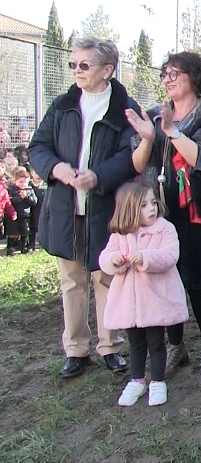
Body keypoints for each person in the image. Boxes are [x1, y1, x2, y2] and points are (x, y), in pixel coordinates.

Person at [29, 37, 137, 378]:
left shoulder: (124, 109)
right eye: (73, 64)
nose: (76, 70)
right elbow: (39, 146)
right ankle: (75, 349)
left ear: (107, 70)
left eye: (84, 65)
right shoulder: (62, 105)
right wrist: (55, 168)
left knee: (106, 277)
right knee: (72, 282)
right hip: (65, 208)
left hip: (104, 209)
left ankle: (110, 346)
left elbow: (130, 158)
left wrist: (98, 177)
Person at [126, 51, 201, 388]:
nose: (169, 78)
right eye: (166, 73)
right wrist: (148, 136)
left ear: (195, 77)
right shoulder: (155, 113)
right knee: (163, 279)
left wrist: (171, 131)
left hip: (194, 210)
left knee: (196, 281)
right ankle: (176, 347)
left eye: (177, 73)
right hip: (156, 211)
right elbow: (139, 165)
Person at [98, 183, 188, 407]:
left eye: (153, 203)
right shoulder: (121, 234)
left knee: (156, 342)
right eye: (144, 205)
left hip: (155, 300)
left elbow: (170, 255)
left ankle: (157, 381)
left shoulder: (165, 229)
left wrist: (145, 257)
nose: (152, 208)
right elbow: (104, 258)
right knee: (135, 343)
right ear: (129, 209)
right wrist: (115, 260)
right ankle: (137, 381)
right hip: (129, 303)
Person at [5, 167, 36, 256]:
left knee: (25, 231)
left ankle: (24, 247)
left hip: (25, 215)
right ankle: (10, 247)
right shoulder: (11, 190)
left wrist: (26, 197)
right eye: (20, 182)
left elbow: (34, 202)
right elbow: (10, 201)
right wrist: (20, 197)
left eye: (25, 182)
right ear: (15, 181)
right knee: (12, 232)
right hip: (14, 215)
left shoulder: (29, 190)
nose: (23, 184)